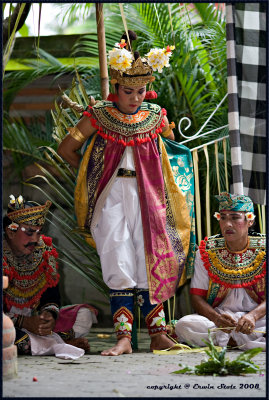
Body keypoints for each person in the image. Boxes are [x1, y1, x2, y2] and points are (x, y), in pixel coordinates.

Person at [57, 30, 195, 356]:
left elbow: (172, 151)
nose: (135, 97)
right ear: (116, 88)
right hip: (111, 195)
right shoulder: (98, 116)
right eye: (128, 91)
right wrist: (91, 175)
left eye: (141, 90)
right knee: (118, 260)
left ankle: (159, 333)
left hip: (150, 196)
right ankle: (123, 338)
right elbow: (67, 149)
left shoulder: (156, 116)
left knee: (150, 260)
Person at [3, 195, 98, 359]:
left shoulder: (44, 252)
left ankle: (48, 342)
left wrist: (48, 316)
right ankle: (59, 345)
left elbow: (52, 296)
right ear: (11, 231)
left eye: (39, 233)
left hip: (33, 321)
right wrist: (24, 322)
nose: (35, 239)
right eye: (29, 232)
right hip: (8, 322)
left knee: (84, 314)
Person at [175, 192, 266, 351]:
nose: (227, 224)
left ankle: (229, 341)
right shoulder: (207, 251)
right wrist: (217, 319)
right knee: (184, 325)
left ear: (250, 220)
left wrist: (253, 316)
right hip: (221, 320)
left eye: (235, 217)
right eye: (223, 217)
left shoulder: (264, 249)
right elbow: (197, 298)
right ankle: (241, 340)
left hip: (260, 319)